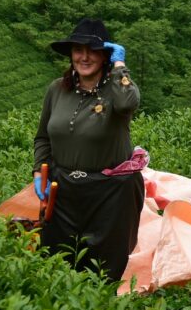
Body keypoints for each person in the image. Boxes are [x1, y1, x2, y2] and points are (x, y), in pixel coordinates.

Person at [33, 18, 143, 281]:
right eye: (78, 50)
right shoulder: (57, 90)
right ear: (70, 55)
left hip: (111, 193)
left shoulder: (116, 91)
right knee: (56, 262)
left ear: (105, 56)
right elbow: (42, 137)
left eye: (92, 50)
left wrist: (119, 67)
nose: (84, 57)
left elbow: (128, 104)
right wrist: (39, 172)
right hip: (64, 189)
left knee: (104, 271)